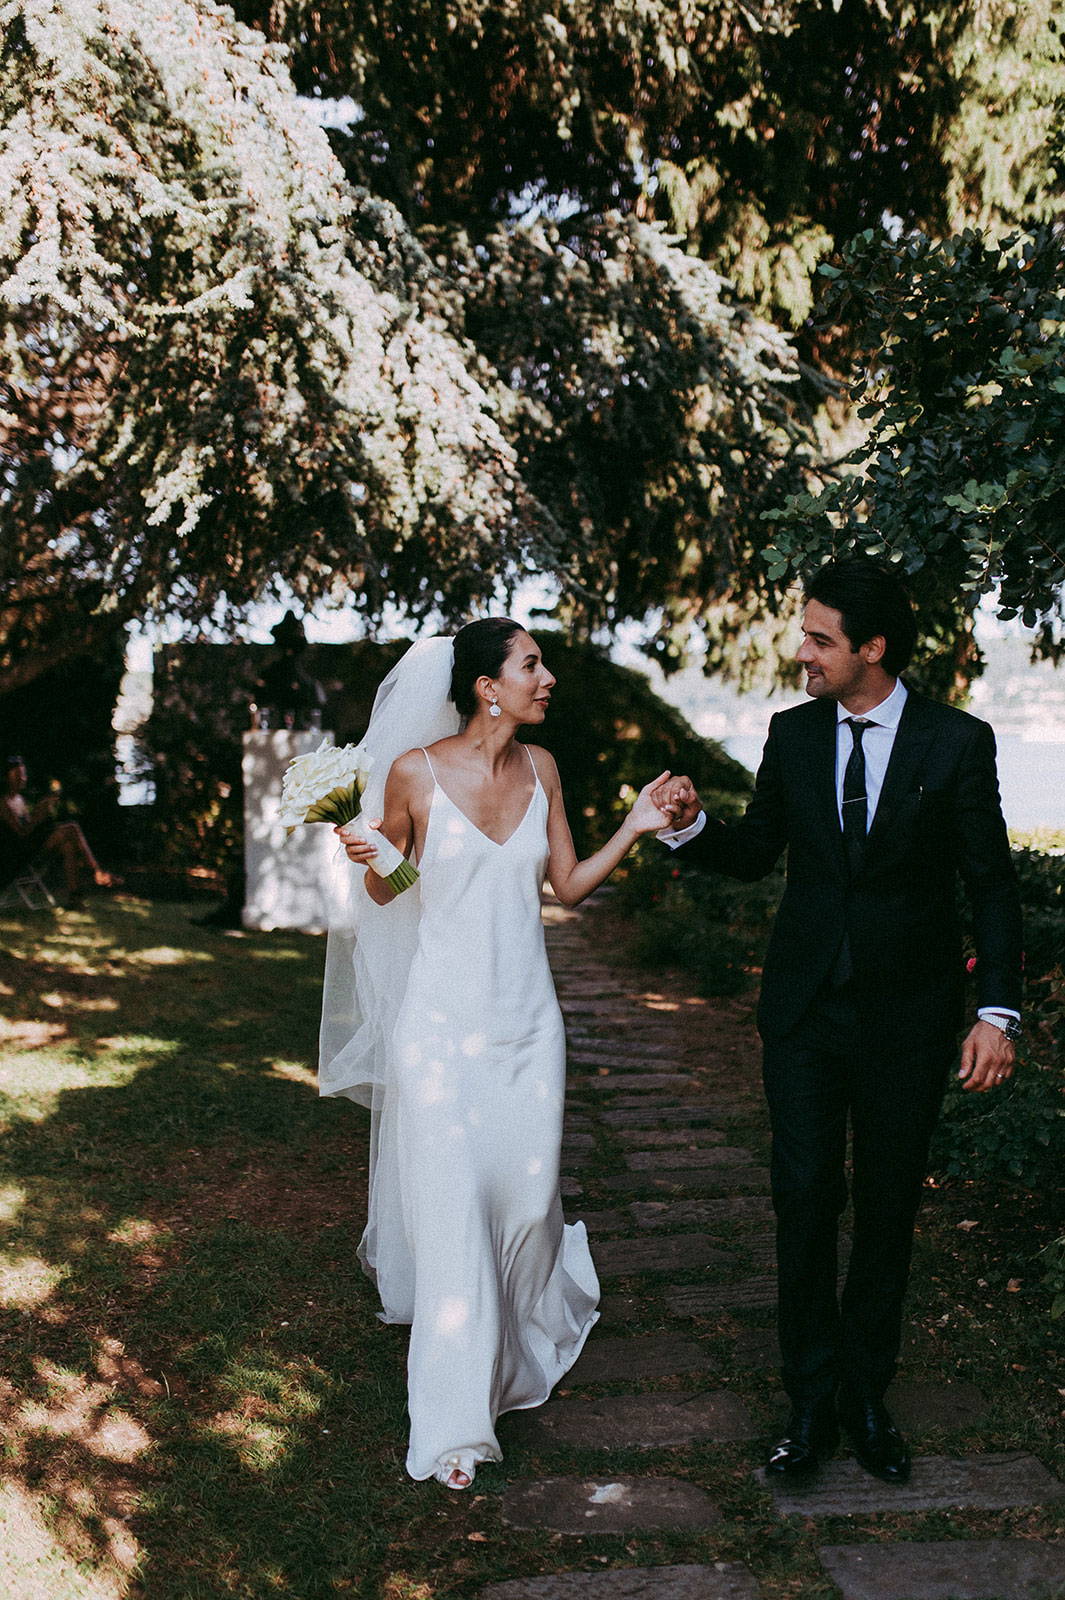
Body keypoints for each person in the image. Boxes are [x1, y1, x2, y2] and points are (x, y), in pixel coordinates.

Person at [653, 558, 1023, 1485]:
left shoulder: (955, 743)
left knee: (889, 1204)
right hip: (805, 1013)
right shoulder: (790, 734)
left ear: (872, 648)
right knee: (804, 1197)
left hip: (909, 1018)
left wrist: (993, 1013)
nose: (802, 652)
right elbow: (753, 852)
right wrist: (694, 826)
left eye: (820, 638)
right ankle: (808, 1401)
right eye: (805, 633)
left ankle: (867, 1395)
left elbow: (991, 886)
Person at [318, 621, 676, 1489]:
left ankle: (516, 1352)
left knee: (522, 1208)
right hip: (440, 1032)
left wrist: (630, 826)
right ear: (487, 685)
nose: (546, 678)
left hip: (527, 1030)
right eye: (530, 665)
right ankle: (453, 1427)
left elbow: (565, 886)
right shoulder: (413, 773)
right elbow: (399, 889)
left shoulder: (541, 770)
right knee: (452, 1225)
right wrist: (375, 857)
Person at [0, 756, 121, 905]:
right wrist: (38, 815)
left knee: (68, 845)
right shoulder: (3, 802)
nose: (22, 779)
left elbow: (30, 828)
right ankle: (97, 872)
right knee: (71, 827)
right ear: (7, 777)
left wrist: (41, 813)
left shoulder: (20, 799)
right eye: (18, 775)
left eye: (24, 774)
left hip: (30, 847)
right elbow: (21, 834)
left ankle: (74, 898)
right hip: (16, 854)